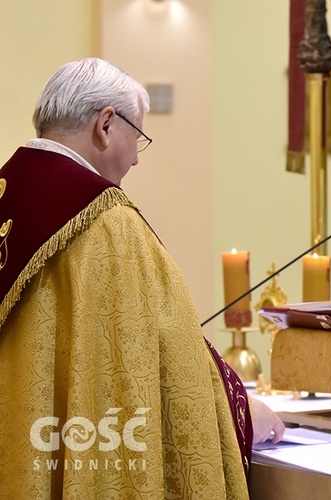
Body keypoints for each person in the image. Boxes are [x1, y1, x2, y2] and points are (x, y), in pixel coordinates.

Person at [0, 57, 284, 498]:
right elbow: (167, 356)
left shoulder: (6, 197)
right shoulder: (106, 223)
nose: (135, 158)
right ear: (106, 124)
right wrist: (240, 409)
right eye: (139, 137)